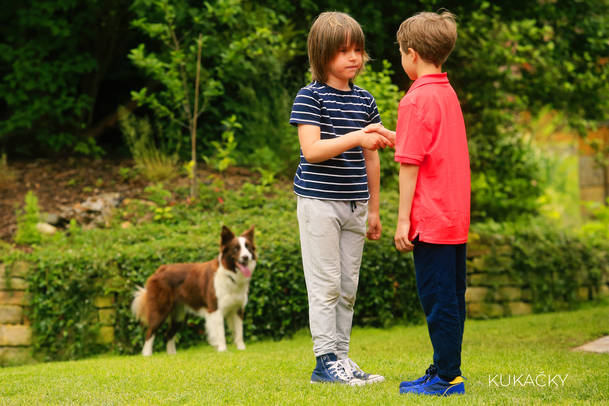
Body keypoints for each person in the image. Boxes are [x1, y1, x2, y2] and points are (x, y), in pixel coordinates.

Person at [366, 10, 471, 396]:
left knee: (437, 299)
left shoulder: (414, 100)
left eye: (399, 52)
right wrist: (394, 135)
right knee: (451, 299)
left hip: (430, 219)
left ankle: (446, 380)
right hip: (454, 218)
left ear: (411, 53)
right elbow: (431, 148)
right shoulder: (445, 92)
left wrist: (401, 221)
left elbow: (411, 167)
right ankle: (447, 370)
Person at [289, 11, 393, 386]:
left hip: (356, 205)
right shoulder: (309, 96)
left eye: (358, 49)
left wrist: (375, 208)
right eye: (343, 50)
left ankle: (342, 359)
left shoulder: (365, 100)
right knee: (326, 284)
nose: (353, 57)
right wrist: (358, 136)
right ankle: (324, 362)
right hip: (319, 204)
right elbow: (312, 150)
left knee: (348, 287)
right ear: (322, 54)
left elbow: (372, 156)